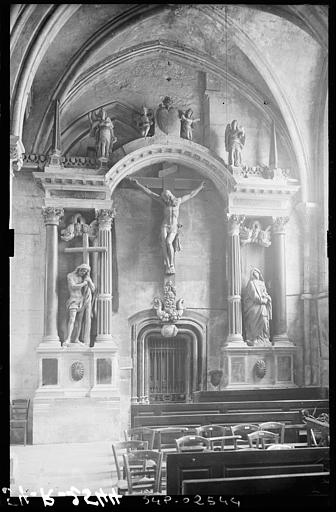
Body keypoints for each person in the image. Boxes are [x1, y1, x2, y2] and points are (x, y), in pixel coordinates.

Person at [129, 177, 205, 274]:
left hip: (173, 227)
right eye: (164, 197)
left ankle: (172, 264)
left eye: (166, 197)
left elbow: (191, 194)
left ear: (170, 196)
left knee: (169, 242)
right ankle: (168, 265)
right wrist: (138, 184)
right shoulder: (163, 202)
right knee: (164, 244)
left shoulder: (178, 201)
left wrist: (200, 187)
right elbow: (150, 193)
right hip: (165, 225)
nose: (165, 198)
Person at [63, 263, 95, 346]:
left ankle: (76, 338)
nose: (83, 273)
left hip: (81, 300)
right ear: (79, 269)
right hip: (73, 300)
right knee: (72, 319)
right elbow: (73, 286)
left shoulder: (84, 277)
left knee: (79, 321)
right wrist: (84, 284)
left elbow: (93, 289)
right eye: (82, 271)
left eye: (85, 272)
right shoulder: (70, 276)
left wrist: (89, 281)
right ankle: (68, 339)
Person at [243, 268, 272, 346]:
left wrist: (267, 298)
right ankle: (254, 338)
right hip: (254, 307)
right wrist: (262, 301)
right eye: (255, 272)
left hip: (262, 306)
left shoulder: (262, 283)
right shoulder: (251, 284)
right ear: (252, 274)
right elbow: (254, 296)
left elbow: (265, 293)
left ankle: (264, 338)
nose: (257, 274)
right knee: (254, 323)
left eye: (258, 272)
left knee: (264, 320)